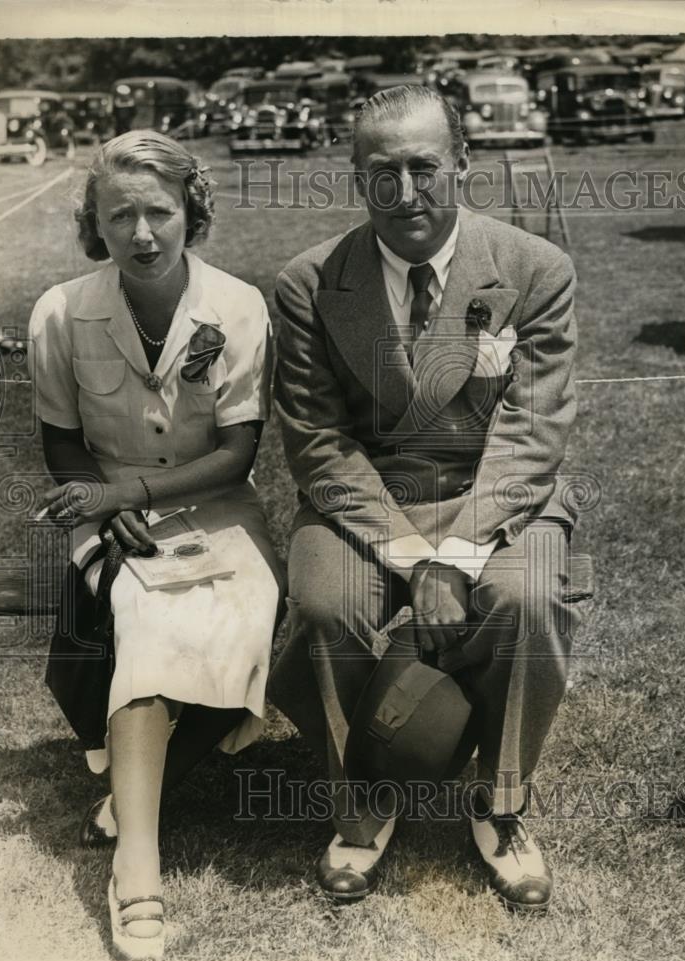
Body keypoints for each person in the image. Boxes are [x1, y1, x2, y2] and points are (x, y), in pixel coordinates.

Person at [269, 85, 583, 910]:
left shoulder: (534, 269)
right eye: (382, 173)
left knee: (527, 593)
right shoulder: (308, 283)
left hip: (497, 496)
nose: (404, 193)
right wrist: (413, 556)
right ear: (354, 178)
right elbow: (318, 444)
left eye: (423, 168)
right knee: (323, 603)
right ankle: (361, 800)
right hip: (364, 502)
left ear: (462, 166)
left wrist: (461, 553)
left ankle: (500, 803)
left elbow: (531, 432)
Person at [29, 130, 284, 960]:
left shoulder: (238, 305)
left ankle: (138, 793)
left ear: (190, 214)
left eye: (159, 213)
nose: (142, 234)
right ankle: (136, 868)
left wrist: (129, 493)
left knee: (251, 608)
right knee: (142, 614)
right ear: (94, 226)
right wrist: (105, 514)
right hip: (111, 515)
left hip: (213, 505)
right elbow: (60, 442)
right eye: (120, 216)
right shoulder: (60, 311)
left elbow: (237, 454)